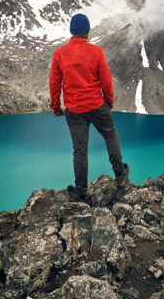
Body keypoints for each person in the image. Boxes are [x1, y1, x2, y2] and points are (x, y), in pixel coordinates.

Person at [49, 13, 129, 202]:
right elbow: (106, 80)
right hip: (96, 105)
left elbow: (54, 82)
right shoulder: (96, 52)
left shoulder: (60, 54)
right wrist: (109, 100)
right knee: (110, 135)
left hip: (74, 110)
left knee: (80, 151)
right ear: (87, 31)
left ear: (71, 31)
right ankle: (120, 175)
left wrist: (55, 106)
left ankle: (81, 193)